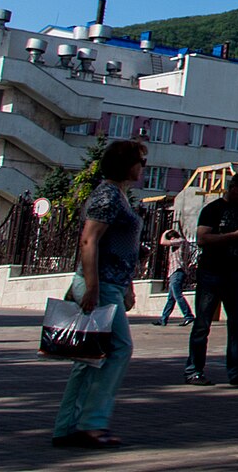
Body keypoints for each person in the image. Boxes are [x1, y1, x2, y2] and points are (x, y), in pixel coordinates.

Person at [52, 139, 146, 449]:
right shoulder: (107, 196)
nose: (142, 167)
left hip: (111, 283)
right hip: (101, 284)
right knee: (119, 349)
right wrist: (92, 287)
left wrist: (127, 285)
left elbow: (120, 248)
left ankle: (67, 426)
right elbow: (89, 241)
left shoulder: (117, 195)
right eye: (139, 162)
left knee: (88, 357)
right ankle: (92, 424)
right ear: (126, 165)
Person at [185, 170, 238, 387]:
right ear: (232, 187)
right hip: (212, 271)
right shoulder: (212, 209)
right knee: (203, 323)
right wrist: (234, 236)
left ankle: (237, 371)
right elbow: (202, 238)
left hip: (234, 272)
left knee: (237, 324)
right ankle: (194, 370)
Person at [153, 225, 196, 326]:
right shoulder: (182, 243)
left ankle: (188, 315)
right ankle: (163, 319)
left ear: (172, 238)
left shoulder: (180, 241)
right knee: (171, 298)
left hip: (177, 271)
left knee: (177, 295)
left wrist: (164, 233)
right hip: (175, 272)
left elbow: (162, 242)